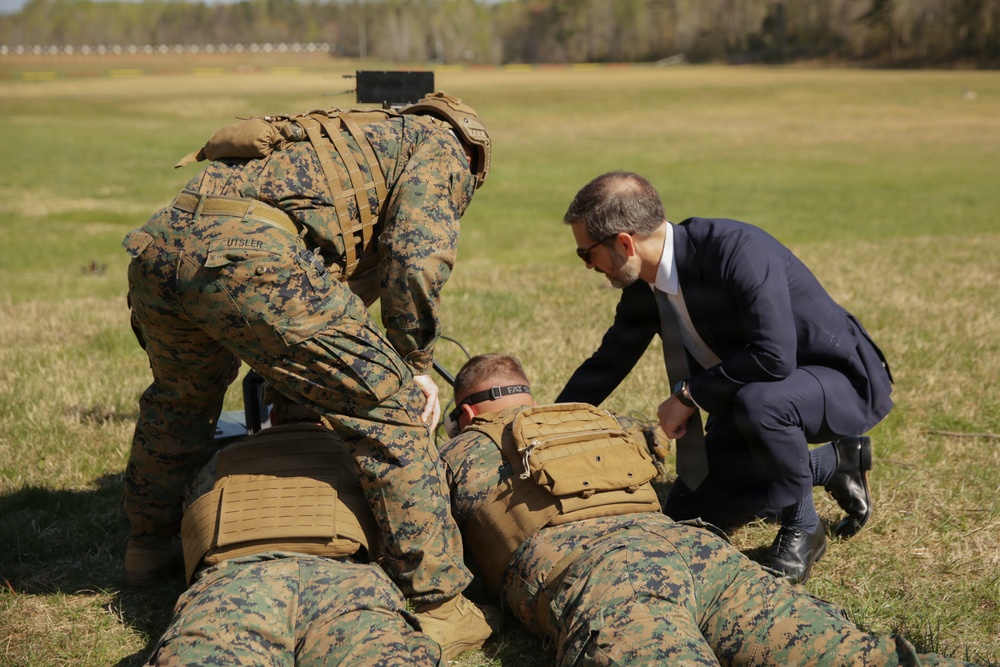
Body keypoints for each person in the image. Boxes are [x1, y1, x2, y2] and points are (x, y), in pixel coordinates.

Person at [121, 92, 493, 647]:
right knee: (386, 405)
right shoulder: (444, 149)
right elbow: (416, 259)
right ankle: (439, 603)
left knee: (181, 399)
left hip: (160, 248)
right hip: (247, 254)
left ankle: (147, 550)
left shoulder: (354, 134)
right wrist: (411, 361)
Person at [439, 353, 976, 667]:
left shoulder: (459, 450)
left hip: (604, 577)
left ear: (466, 412)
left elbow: (410, 533)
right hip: (697, 551)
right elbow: (652, 442)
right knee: (854, 655)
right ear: (530, 399)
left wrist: (418, 434)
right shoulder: (596, 421)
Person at [556, 171, 893, 583]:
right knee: (688, 513)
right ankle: (831, 462)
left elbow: (774, 358)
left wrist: (689, 396)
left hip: (834, 379)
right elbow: (608, 362)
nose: (588, 266)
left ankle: (804, 526)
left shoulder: (737, 250)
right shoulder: (643, 287)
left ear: (625, 243)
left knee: (762, 403)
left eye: (586, 254)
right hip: (750, 397)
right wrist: (548, 427)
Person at [144, 395, 489, 665]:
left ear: (274, 418)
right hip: (346, 586)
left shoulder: (219, 462)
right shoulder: (369, 460)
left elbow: (192, 521)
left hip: (231, 586)